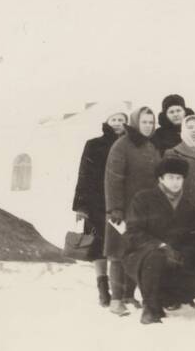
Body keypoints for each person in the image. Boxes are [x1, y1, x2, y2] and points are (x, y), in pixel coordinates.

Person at [124, 157, 195, 325]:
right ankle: (150, 308)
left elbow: (193, 237)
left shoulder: (188, 205)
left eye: (179, 178)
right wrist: (160, 246)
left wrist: (183, 254)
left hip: (175, 259)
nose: (175, 182)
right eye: (170, 177)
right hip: (142, 256)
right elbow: (133, 232)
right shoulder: (143, 198)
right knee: (156, 257)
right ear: (161, 178)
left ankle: (163, 298)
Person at [104, 107, 161, 316]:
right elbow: (113, 179)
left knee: (135, 252)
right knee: (118, 254)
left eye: (151, 122)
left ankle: (129, 295)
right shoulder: (122, 145)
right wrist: (115, 209)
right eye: (144, 122)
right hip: (123, 210)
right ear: (136, 123)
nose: (148, 126)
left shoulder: (150, 147)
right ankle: (116, 300)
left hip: (144, 211)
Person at [72, 109, 127, 308]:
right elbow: (84, 174)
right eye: (114, 119)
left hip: (121, 204)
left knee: (119, 246)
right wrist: (80, 205)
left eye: (122, 119)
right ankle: (103, 288)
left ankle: (119, 290)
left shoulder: (129, 144)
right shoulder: (94, 144)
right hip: (96, 203)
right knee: (98, 247)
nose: (118, 122)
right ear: (107, 121)